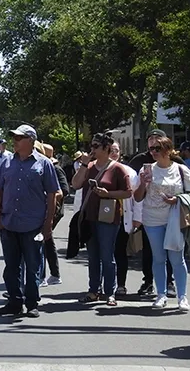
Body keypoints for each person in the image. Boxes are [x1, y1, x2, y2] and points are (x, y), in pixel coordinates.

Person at [0, 125, 60, 318]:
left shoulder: (44, 164)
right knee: (11, 267)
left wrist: (48, 223)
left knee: (33, 266)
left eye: (19, 138)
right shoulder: (6, 162)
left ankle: (32, 303)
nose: (15, 140)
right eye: (14, 137)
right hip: (9, 223)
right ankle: (14, 301)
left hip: (33, 225)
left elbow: (52, 194)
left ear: (31, 141)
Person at [72, 133, 132, 307]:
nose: (92, 149)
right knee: (93, 256)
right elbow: (75, 184)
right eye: (91, 146)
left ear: (106, 148)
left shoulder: (118, 168)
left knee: (107, 256)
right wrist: (84, 164)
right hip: (89, 217)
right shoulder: (88, 166)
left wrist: (109, 194)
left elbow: (128, 192)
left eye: (96, 146)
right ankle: (93, 290)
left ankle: (110, 293)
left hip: (108, 218)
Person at [133, 134, 189, 311]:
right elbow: (138, 197)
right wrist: (143, 183)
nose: (154, 152)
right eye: (151, 149)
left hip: (174, 219)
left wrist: (177, 199)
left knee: (177, 258)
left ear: (168, 150)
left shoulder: (181, 169)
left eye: (158, 148)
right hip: (152, 219)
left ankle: (182, 297)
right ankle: (161, 294)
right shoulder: (147, 170)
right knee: (158, 258)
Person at [109, 142, 142, 296]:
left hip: (123, 217)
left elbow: (137, 198)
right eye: (110, 150)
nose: (113, 153)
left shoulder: (129, 171)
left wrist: (137, 218)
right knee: (104, 253)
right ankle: (106, 285)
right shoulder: (98, 169)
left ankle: (121, 284)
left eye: (116, 150)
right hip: (102, 218)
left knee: (120, 251)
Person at [40, 143, 69, 286]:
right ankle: (52, 274)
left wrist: (47, 198)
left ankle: (43, 276)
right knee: (46, 241)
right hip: (42, 210)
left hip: (53, 211)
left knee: (42, 240)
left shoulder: (55, 169)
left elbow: (64, 190)